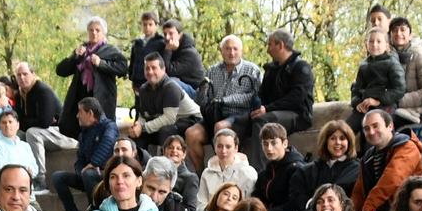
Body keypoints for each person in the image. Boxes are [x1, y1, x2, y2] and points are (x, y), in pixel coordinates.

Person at [192, 34, 265, 167]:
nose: (231, 53)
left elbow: (256, 96)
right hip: (214, 114)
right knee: (191, 134)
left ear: (241, 51)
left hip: (240, 116)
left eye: (235, 49)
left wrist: (224, 100)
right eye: (227, 49)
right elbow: (202, 100)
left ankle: (223, 170)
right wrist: (202, 92)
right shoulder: (212, 70)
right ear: (221, 51)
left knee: (220, 127)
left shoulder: (252, 70)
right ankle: (202, 174)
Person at [46, 97, 114, 211]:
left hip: (104, 177)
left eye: (80, 111)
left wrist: (94, 163)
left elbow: (108, 143)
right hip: (86, 176)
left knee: (88, 173)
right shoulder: (84, 134)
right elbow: (80, 159)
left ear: (90, 113)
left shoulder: (109, 126)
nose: (77, 116)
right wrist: (80, 171)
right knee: (58, 177)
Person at [56, 17, 129, 139]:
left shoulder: (110, 50)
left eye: (97, 30)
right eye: (91, 30)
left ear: (103, 32)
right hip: (79, 98)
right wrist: (75, 57)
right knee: (74, 131)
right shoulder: (82, 50)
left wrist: (101, 63)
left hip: (101, 99)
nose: (94, 33)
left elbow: (123, 69)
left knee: (100, 133)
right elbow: (61, 71)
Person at [353, 107, 422, 211]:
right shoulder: (368, 157)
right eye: (366, 129)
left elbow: (392, 178)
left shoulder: (407, 147)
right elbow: (358, 191)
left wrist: (368, 207)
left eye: (375, 126)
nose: (371, 132)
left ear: (390, 126)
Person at [125, 52, 201, 150]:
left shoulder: (171, 87)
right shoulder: (143, 89)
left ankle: (165, 159)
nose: (150, 72)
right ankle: (138, 159)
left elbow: (169, 118)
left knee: (166, 130)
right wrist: (138, 125)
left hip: (191, 120)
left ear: (163, 69)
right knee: (135, 135)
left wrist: (143, 127)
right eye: (147, 68)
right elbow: (143, 115)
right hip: (169, 121)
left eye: (154, 68)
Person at [290, 119, 362, 211]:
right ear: (325, 142)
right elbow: (297, 195)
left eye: (342, 138)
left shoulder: (358, 169)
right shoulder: (307, 170)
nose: (338, 142)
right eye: (333, 138)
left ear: (349, 142)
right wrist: (312, 206)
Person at [252, 30, 316, 142]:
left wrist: (267, 108)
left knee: (262, 121)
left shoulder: (301, 67)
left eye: (270, 45)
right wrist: (256, 107)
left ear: (280, 45)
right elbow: (262, 94)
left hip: (298, 115)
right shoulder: (271, 69)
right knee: (243, 120)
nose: (267, 50)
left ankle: (262, 154)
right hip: (272, 112)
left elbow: (297, 97)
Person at [12, 62, 68, 179]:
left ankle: (40, 177)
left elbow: (44, 122)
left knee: (32, 133)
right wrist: (27, 121)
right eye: (19, 75)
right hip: (43, 132)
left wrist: (24, 121)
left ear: (33, 74)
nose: (22, 77)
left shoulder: (43, 91)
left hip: (62, 133)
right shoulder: (18, 95)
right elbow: (17, 120)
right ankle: (19, 175)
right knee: (15, 135)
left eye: (25, 74)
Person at [253, 123, 309, 211]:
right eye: (265, 144)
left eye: (274, 143)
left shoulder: (296, 169)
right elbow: (257, 196)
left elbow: (294, 205)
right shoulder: (266, 171)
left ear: (285, 143)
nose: (269, 148)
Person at [348, 27, 407, 131]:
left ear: (386, 46)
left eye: (379, 41)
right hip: (365, 106)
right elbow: (356, 89)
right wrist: (357, 103)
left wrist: (378, 101)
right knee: (346, 130)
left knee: (374, 131)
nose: (374, 44)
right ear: (367, 45)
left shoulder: (392, 63)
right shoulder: (364, 65)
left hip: (385, 106)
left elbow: (399, 89)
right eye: (371, 41)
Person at [195, 126, 258, 211]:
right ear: (215, 147)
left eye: (228, 147)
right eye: (219, 146)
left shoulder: (248, 174)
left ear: (236, 148)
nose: (223, 151)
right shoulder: (207, 173)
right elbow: (201, 203)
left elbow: (249, 206)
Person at [388, 17, 422, 125]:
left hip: (414, 111)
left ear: (410, 35)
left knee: (382, 122)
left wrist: (399, 101)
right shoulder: (387, 57)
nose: (398, 33)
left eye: (402, 29)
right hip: (389, 106)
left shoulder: (420, 55)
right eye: (395, 30)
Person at [127, 11, 166, 83]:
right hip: (137, 80)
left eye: (150, 24)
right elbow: (133, 61)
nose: (147, 27)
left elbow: (164, 63)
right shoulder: (137, 43)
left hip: (152, 80)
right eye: (145, 25)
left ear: (156, 25)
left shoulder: (161, 43)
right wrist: (131, 76)